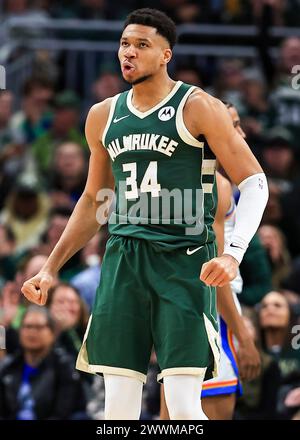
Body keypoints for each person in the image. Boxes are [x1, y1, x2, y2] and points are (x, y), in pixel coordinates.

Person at [21, 8, 268, 420]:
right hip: (123, 260)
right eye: (123, 43)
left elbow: (255, 182)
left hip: (184, 260)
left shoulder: (199, 106)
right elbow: (93, 200)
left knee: (186, 407)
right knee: (117, 409)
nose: (128, 53)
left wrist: (233, 253)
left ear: (165, 55)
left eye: (141, 45)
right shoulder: (102, 114)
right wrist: (50, 268)